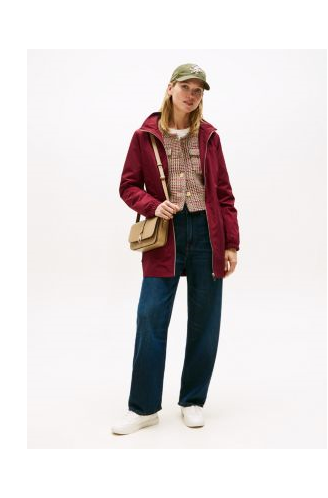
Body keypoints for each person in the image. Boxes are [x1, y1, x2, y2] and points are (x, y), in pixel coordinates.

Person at [113, 63, 240, 435]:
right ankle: (143, 408)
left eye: (198, 90)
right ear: (170, 88)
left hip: (207, 233)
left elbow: (224, 194)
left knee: (205, 320)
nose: (191, 95)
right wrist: (154, 205)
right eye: (186, 87)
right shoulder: (145, 135)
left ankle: (193, 400)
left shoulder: (210, 136)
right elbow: (127, 186)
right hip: (164, 235)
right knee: (151, 317)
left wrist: (231, 243)